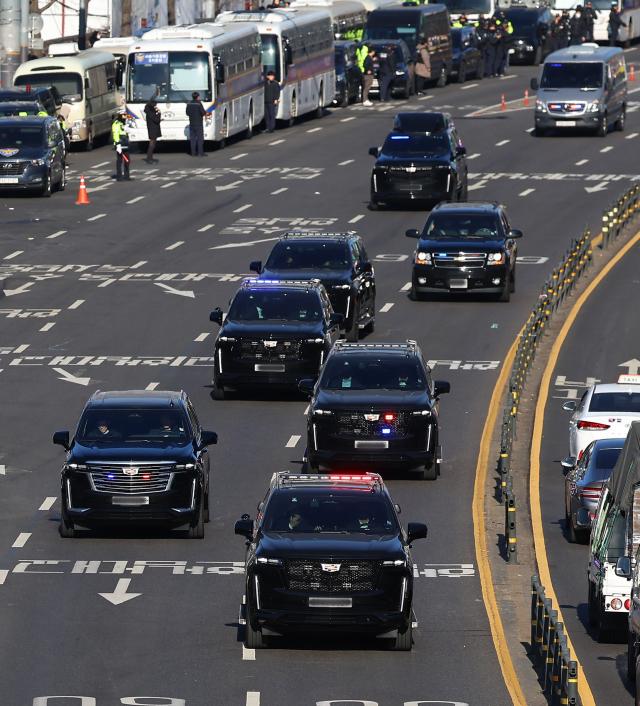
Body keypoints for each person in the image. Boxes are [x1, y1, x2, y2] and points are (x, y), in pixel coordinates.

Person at [186, 91, 207, 157]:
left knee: (192, 139)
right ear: (198, 97)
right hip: (199, 123)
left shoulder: (189, 104)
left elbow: (187, 113)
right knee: (200, 138)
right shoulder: (199, 103)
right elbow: (203, 113)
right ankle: (200, 153)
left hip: (191, 123)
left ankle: (193, 153)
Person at [111, 111, 130, 181]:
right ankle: (119, 176)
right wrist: (117, 144)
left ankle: (127, 176)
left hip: (125, 143)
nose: (125, 116)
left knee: (127, 160)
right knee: (119, 160)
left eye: (125, 115)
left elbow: (126, 132)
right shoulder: (116, 124)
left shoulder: (124, 122)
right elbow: (115, 134)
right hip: (119, 143)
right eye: (123, 115)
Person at [144, 96, 161, 164]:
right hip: (152, 129)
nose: (155, 106)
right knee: (152, 144)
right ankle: (149, 159)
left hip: (152, 128)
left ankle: (150, 158)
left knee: (153, 144)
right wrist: (159, 113)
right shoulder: (150, 112)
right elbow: (156, 119)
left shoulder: (149, 110)